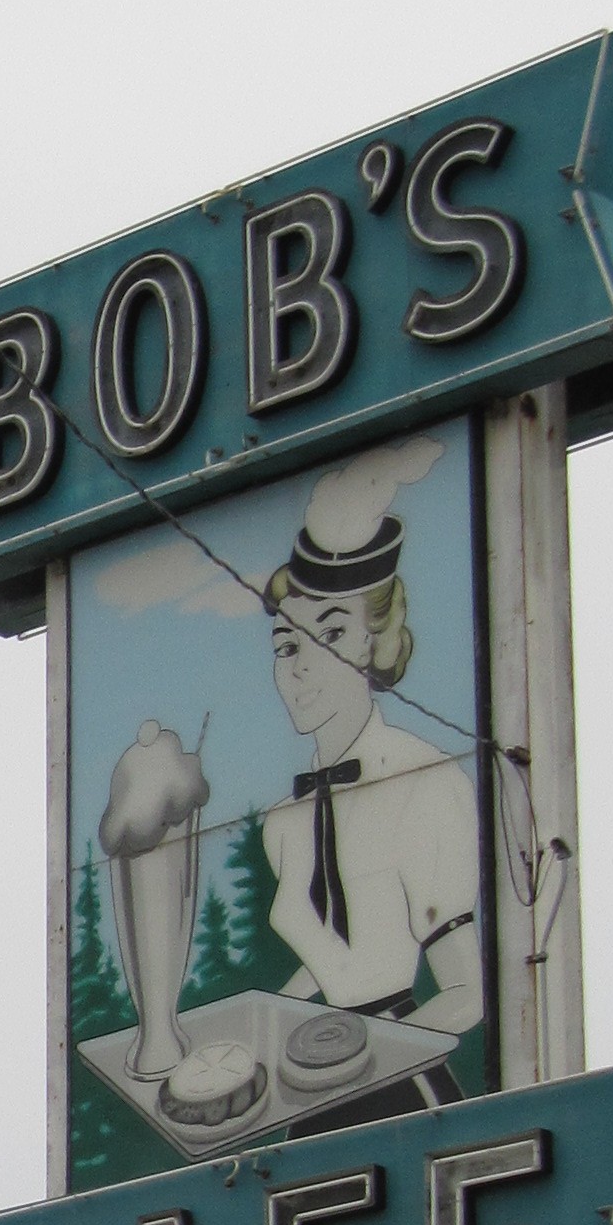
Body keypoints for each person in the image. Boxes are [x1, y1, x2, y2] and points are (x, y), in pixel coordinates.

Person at [259, 471, 482, 1119]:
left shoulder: (424, 780)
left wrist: (368, 1059)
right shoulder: (284, 820)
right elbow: (331, 972)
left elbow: (466, 992)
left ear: (372, 640)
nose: (300, 665)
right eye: (284, 644)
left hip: (402, 1088)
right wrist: (257, 1033)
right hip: (317, 1084)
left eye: (329, 634)